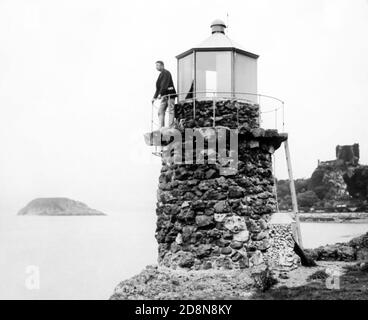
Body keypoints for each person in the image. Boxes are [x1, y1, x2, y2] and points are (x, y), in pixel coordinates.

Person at [152, 61, 176, 129]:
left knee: (171, 110)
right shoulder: (161, 74)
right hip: (164, 95)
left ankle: (171, 126)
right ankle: (161, 127)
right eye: (156, 65)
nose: (156, 67)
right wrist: (154, 97)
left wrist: (160, 93)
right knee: (160, 111)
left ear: (162, 65)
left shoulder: (166, 73)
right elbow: (158, 87)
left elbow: (164, 84)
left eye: (158, 65)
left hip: (170, 94)